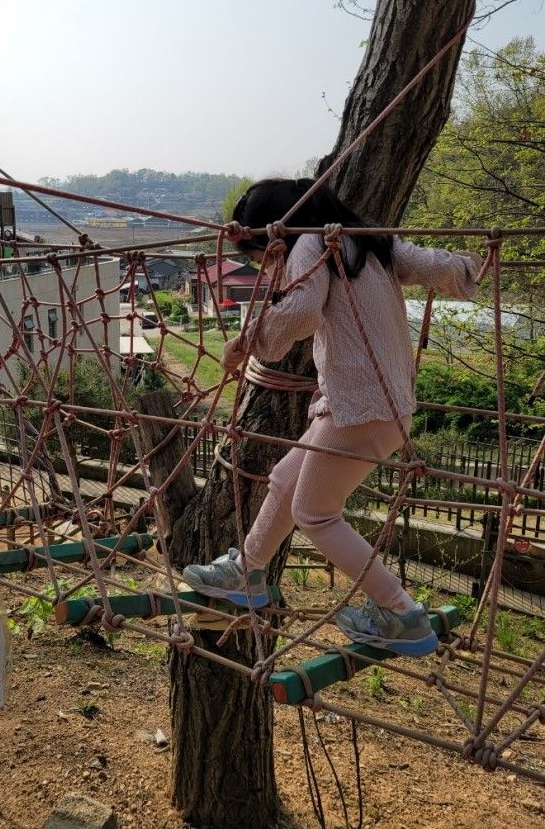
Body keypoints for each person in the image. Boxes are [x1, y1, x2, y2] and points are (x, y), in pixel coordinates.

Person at [183, 178, 481, 657]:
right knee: (285, 478)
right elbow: (432, 264)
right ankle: (250, 569)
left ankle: (401, 613)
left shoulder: (309, 243)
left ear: (277, 235)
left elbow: (299, 313)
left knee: (315, 513)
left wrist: (250, 341)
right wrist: (473, 264)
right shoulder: (367, 242)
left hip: (358, 407)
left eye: (262, 257)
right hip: (383, 405)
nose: (266, 268)